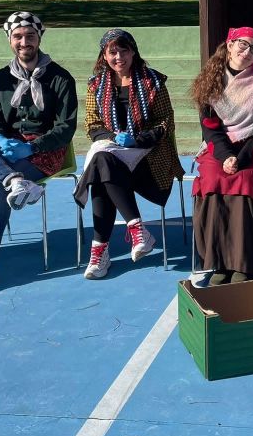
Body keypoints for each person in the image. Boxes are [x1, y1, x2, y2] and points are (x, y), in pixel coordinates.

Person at [0, 11, 77, 298]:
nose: (24, 42)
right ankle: (14, 180)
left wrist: (31, 147)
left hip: (43, 151)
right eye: (17, 36)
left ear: (39, 38)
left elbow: (66, 128)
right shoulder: (2, 77)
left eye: (30, 36)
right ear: (10, 40)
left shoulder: (61, 78)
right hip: (6, 147)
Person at [74, 29, 184, 279]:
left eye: (124, 50)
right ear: (104, 56)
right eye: (112, 52)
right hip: (113, 156)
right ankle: (136, 231)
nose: (119, 57)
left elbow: (165, 122)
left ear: (133, 52)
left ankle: (101, 251)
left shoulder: (153, 81)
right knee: (104, 163)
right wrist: (114, 138)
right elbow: (92, 123)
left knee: (101, 169)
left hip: (149, 159)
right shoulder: (96, 85)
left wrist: (137, 140)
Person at [190, 27, 253, 284]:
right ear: (229, 45)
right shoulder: (210, 79)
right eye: (243, 44)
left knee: (245, 180)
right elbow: (210, 127)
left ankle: (245, 265)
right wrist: (225, 156)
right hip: (220, 148)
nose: (247, 51)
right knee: (212, 179)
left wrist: (241, 159)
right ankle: (219, 263)